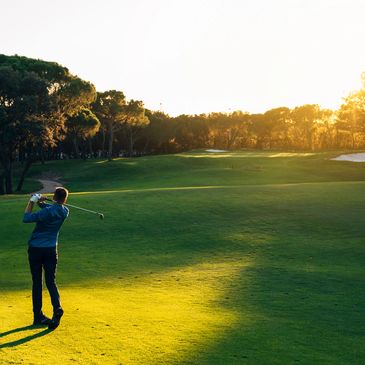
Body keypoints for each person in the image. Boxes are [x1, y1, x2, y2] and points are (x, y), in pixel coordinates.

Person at [23, 187, 69, 330]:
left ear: (54, 197)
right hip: (51, 250)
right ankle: (57, 308)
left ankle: (38, 316)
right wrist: (41, 202)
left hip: (36, 249)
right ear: (65, 199)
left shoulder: (46, 212)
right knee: (51, 282)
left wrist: (32, 201)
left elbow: (26, 218)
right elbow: (52, 210)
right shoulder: (65, 211)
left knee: (37, 282)